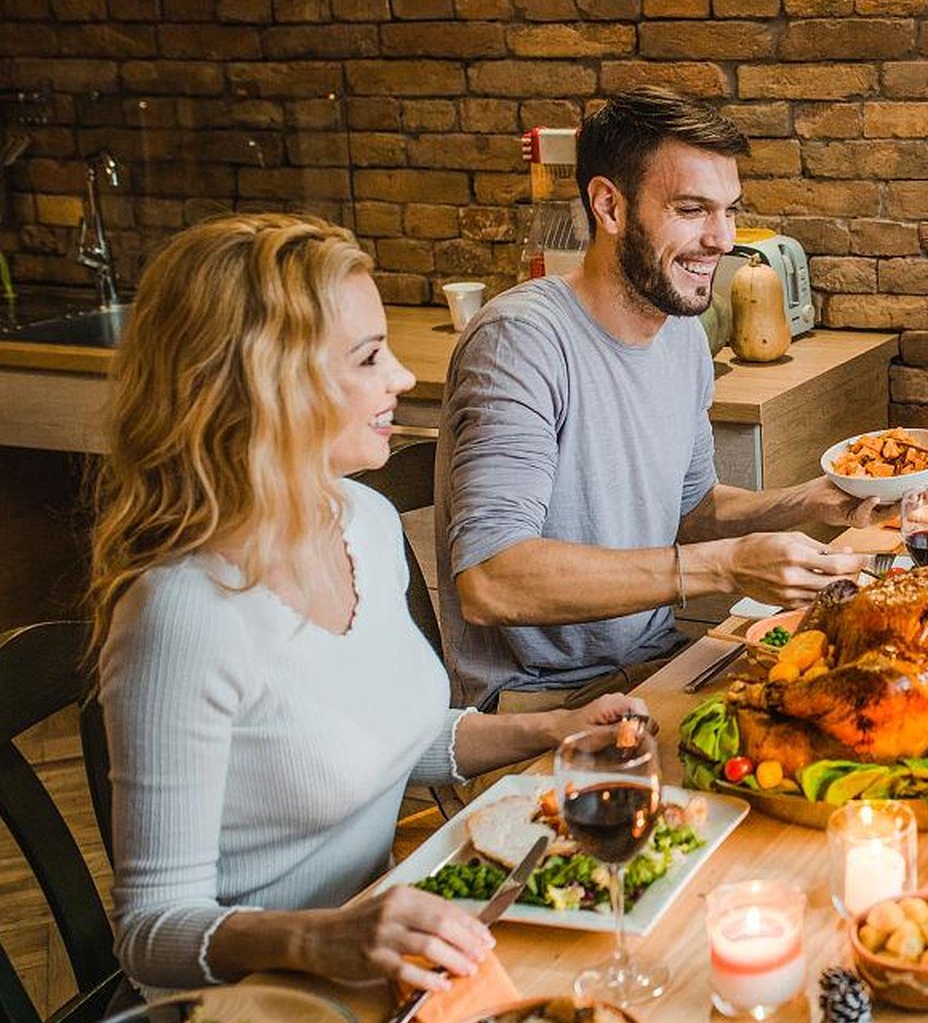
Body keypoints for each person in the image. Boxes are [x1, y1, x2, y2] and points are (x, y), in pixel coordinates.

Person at [90, 214, 640, 994]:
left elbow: (394, 736)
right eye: (369, 356)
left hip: (385, 951)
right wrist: (322, 939)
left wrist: (553, 730)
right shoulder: (183, 613)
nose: (404, 378)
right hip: (256, 999)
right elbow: (150, 934)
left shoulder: (362, 523)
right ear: (268, 381)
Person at [437, 87, 874, 713]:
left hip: (658, 668)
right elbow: (491, 579)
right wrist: (723, 566)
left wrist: (809, 501)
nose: (723, 239)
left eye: (729, 211)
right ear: (609, 206)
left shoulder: (683, 336)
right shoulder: (521, 342)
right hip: (543, 708)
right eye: (693, 210)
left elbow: (690, 512)